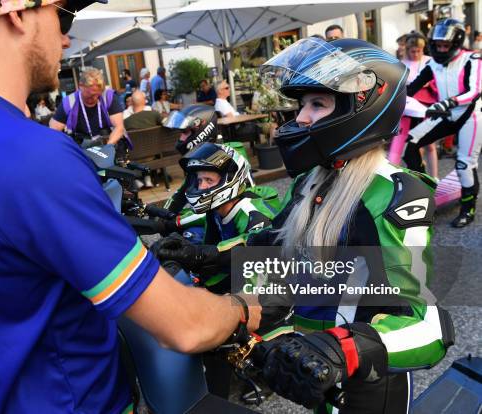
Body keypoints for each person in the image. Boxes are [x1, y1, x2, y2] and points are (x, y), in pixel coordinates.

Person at [0, 2, 261, 414]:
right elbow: (183, 326)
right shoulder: (31, 153)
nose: (65, 38)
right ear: (16, 13)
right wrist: (239, 308)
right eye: (63, 16)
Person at [246, 37, 453, 413]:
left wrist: (342, 349)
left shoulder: (393, 195)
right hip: (314, 372)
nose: (301, 118)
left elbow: (427, 327)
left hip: (366, 385)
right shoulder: (311, 180)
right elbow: (273, 251)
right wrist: (209, 258)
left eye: (318, 104)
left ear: (363, 106)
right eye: (302, 105)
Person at [153, 142, 277, 293]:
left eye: (209, 180)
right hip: (232, 270)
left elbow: (257, 245)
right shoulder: (215, 210)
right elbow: (194, 221)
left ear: (231, 179)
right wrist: (161, 225)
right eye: (199, 181)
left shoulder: (251, 212)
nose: (201, 186)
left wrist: (200, 254)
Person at [403, 18, 482, 227]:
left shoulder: (472, 59)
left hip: (470, 115)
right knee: (409, 144)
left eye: (445, 45)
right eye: (438, 45)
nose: (441, 48)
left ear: (456, 43)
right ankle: (424, 191)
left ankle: (468, 208)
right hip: (445, 113)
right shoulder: (432, 63)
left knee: (465, 163)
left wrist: (449, 102)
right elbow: (411, 88)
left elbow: (474, 91)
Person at [49, 67, 125, 146]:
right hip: (82, 146)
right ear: (80, 86)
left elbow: (119, 127)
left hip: (108, 142)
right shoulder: (69, 102)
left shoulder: (109, 97)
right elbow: (53, 131)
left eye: (98, 95)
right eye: (91, 95)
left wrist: (108, 147)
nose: (95, 98)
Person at [401, 33, 439, 179]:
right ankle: (421, 176)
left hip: (428, 105)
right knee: (414, 144)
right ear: (407, 49)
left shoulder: (430, 60)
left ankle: (435, 177)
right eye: (413, 51)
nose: (416, 54)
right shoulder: (402, 63)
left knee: (430, 144)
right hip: (411, 109)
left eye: (419, 50)